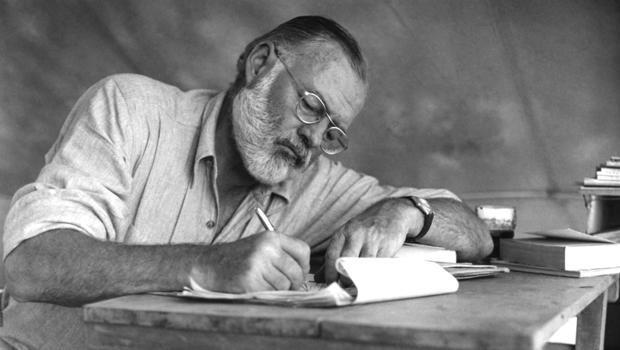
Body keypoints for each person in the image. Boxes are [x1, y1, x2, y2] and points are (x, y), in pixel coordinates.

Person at [1, 16, 492, 349]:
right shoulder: (130, 110)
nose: (312, 139)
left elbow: (476, 234)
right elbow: (32, 264)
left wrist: (406, 211)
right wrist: (207, 266)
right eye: (312, 106)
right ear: (261, 64)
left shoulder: (316, 182)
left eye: (333, 132)